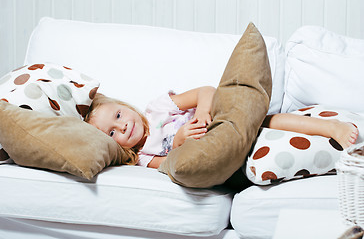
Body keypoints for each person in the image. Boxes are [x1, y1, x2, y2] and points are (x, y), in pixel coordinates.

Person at [84, 86, 359, 169]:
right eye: (112, 133)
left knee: (272, 121)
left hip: (224, 118)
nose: (122, 127)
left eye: (119, 115)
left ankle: (330, 127)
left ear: (126, 106)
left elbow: (206, 91)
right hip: (223, 148)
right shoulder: (144, 158)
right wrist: (179, 142)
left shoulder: (157, 108)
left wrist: (203, 112)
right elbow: (171, 165)